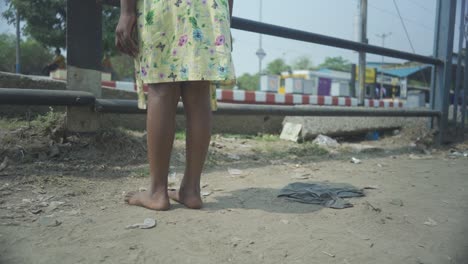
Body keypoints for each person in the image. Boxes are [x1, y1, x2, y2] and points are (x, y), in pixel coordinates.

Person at [116, 0, 235, 210]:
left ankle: (156, 192)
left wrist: (127, 12)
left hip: (165, 6)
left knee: (161, 88)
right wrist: (224, 17)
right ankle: (191, 190)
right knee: (199, 93)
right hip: (210, 8)